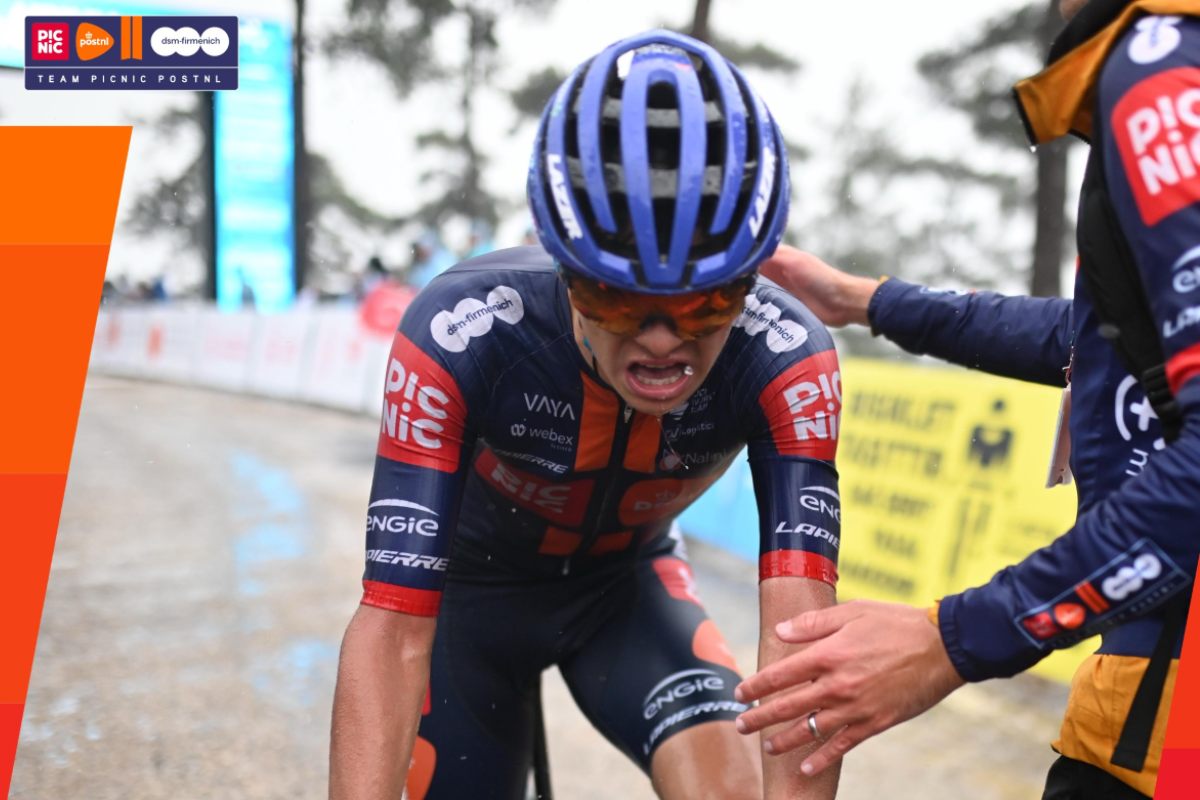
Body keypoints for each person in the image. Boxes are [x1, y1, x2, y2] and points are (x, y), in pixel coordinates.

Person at [330, 30, 846, 800]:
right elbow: (396, 627)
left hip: (624, 592)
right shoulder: (463, 330)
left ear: (754, 279)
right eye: (619, 298)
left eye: (710, 303)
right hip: (467, 601)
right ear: (564, 268)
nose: (664, 339)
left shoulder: (788, 359)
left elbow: (797, 650)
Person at [733, 2, 1200, 798]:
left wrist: (952, 639)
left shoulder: (1160, 63)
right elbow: (1111, 337)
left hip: (1167, 710)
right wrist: (869, 301)